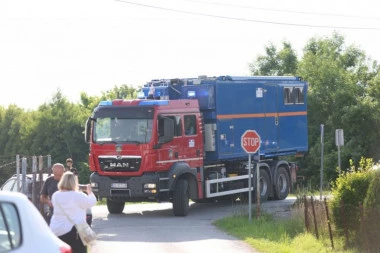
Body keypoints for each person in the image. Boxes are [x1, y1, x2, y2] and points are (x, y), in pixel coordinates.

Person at [50, 171, 96, 253]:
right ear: (74, 183)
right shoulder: (77, 195)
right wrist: (89, 191)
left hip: (56, 229)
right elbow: (91, 202)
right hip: (73, 230)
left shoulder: (55, 195)